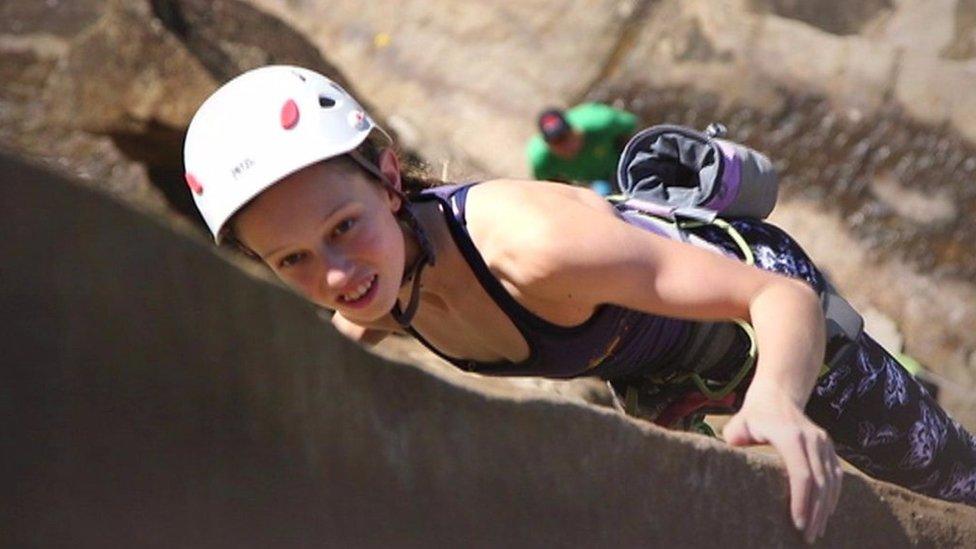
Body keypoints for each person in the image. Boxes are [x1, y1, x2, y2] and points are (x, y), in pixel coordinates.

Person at [183, 65, 976, 543]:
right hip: (660, 381)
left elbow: (779, 295)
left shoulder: (534, 245)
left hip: (753, 324)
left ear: (390, 178)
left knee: (950, 485)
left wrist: (777, 397)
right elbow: (344, 331)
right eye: (292, 259)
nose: (334, 272)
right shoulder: (373, 291)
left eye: (343, 226)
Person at [526, 103, 637, 193]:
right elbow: (552, 188)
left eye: (565, 137)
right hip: (596, 181)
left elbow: (632, 129)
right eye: (556, 143)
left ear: (574, 130)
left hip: (622, 163)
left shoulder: (601, 122)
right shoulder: (542, 160)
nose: (564, 146)